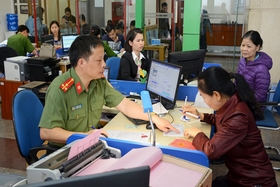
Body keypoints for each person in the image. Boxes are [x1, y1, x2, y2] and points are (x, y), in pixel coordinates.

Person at [39, 35, 179, 147]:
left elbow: (124, 104)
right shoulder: (60, 89)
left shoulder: (98, 82)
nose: (104, 65)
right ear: (81, 63)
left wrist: (154, 118)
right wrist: (84, 137)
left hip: (92, 145)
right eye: (99, 61)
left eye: (103, 59)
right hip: (66, 151)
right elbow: (46, 132)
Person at [182, 66, 277, 187]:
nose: (204, 101)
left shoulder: (238, 116)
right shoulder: (232, 103)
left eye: (204, 97)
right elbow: (223, 122)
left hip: (254, 182)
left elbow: (212, 151)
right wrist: (201, 115)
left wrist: (198, 134)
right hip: (240, 175)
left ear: (216, 95)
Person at [238, 30, 273, 103]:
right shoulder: (242, 61)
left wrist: (241, 102)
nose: (244, 49)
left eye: (249, 46)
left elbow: (260, 97)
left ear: (257, 47)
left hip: (253, 107)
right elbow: (237, 82)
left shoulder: (262, 69)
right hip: (240, 100)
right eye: (243, 45)